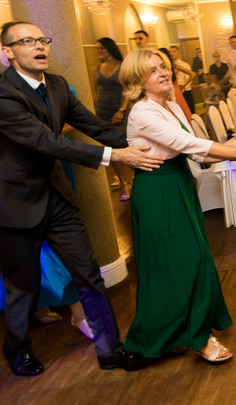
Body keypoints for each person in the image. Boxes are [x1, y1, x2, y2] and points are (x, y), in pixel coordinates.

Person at [0, 21, 163, 376]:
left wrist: (145, 140)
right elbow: (45, 142)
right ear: (7, 52)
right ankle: (17, 350)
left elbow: (95, 126)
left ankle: (110, 350)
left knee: (89, 275)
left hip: (57, 196)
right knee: (23, 286)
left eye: (42, 39)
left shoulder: (57, 85)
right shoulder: (3, 94)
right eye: (27, 41)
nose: (39, 46)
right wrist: (115, 156)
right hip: (13, 204)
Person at [119, 48, 236, 363]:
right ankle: (196, 337)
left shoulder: (172, 106)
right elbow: (187, 143)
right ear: (137, 80)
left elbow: (196, 153)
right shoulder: (142, 112)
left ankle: (179, 333)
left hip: (179, 183)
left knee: (186, 260)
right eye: (152, 70)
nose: (163, 72)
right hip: (157, 190)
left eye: (163, 67)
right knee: (181, 261)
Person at [92, 37, 131, 200]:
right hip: (102, 111)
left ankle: (140, 175)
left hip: (119, 111)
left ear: (110, 48)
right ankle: (123, 183)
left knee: (125, 144)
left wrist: (122, 110)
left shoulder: (123, 67)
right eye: (97, 48)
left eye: (102, 48)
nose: (99, 51)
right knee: (111, 149)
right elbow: (97, 91)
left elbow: (128, 91)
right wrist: (93, 110)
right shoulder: (96, 68)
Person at [167, 45, 196, 114]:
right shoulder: (168, 65)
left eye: (174, 52)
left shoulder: (183, 64)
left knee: (190, 111)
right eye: (170, 52)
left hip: (185, 91)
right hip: (174, 91)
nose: (172, 53)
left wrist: (183, 87)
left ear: (178, 53)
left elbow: (190, 77)